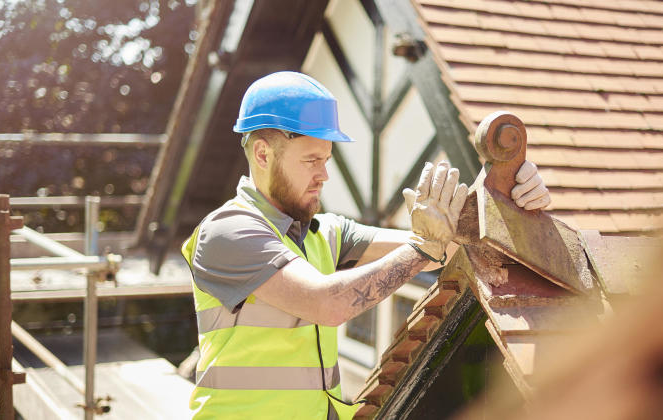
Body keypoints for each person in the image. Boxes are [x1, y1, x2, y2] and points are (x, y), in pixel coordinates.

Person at [181, 71, 551, 419]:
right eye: (312, 160)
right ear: (263, 154)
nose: (324, 175)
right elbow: (326, 303)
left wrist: (507, 196)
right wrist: (424, 248)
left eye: (326, 160)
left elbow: (446, 249)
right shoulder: (227, 232)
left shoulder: (325, 232)